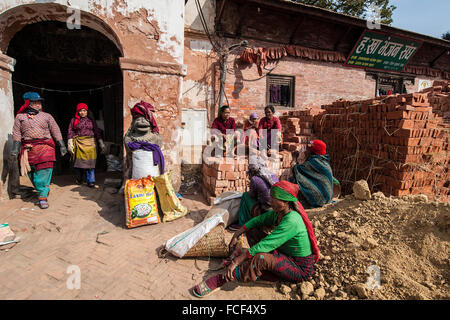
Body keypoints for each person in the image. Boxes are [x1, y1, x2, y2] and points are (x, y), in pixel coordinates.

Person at [192, 180, 320, 298]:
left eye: (274, 199)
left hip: (299, 267)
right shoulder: (280, 213)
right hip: (284, 253)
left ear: (286, 202)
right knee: (252, 231)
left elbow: (267, 244)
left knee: (261, 258)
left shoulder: (292, 220)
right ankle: (267, 272)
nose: (271, 201)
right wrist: (238, 233)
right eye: (271, 197)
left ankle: (224, 278)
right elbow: (259, 220)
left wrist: (237, 261)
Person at [11, 91, 67, 209]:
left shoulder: (47, 116)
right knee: (32, 173)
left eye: (39, 102)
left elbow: (55, 130)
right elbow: (16, 133)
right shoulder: (20, 117)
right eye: (35, 102)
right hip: (28, 149)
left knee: (44, 171)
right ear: (28, 103)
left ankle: (42, 197)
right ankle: (43, 189)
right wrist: (15, 149)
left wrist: (62, 145)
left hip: (45, 147)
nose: (38, 105)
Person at [229, 155, 278, 231]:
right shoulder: (273, 175)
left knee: (245, 195)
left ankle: (242, 224)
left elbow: (252, 195)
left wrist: (252, 186)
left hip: (266, 207)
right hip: (276, 206)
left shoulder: (255, 179)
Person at [67, 103, 106, 187]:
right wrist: (70, 142)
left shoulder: (91, 120)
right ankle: (79, 178)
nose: (82, 112)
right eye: (80, 111)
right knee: (79, 163)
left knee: (90, 163)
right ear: (77, 112)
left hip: (90, 143)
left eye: (84, 110)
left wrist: (101, 143)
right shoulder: (74, 120)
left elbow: (97, 131)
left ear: (87, 111)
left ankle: (91, 181)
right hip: (79, 143)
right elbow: (70, 131)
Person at [289, 139, 334, 208]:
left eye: (308, 150)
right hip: (327, 196)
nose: (306, 151)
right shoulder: (323, 160)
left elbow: (296, 169)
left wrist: (294, 159)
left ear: (313, 152)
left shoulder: (314, 162)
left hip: (322, 198)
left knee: (294, 181)